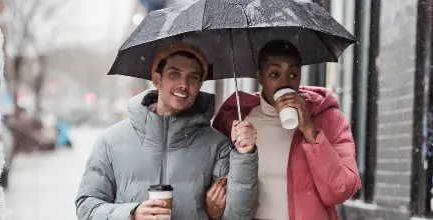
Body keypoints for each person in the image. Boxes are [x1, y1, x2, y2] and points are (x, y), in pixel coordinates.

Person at [75, 43, 258, 220]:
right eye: (174, 74)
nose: (183, 85)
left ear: (200, 84)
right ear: (157, 79)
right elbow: (86, 207)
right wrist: (132, 213)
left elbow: (239, 215)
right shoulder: (111, 140)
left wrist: (244, 154)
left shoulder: (217, 145)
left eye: (192, 77)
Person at [211, 40, 360, 220]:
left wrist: (309, 129)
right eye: (274, 74)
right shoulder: (235, 119)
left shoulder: (328, 118)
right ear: (259, 77)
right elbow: (218, 186)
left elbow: (340, 191)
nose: (285, 83)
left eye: (293, 75)